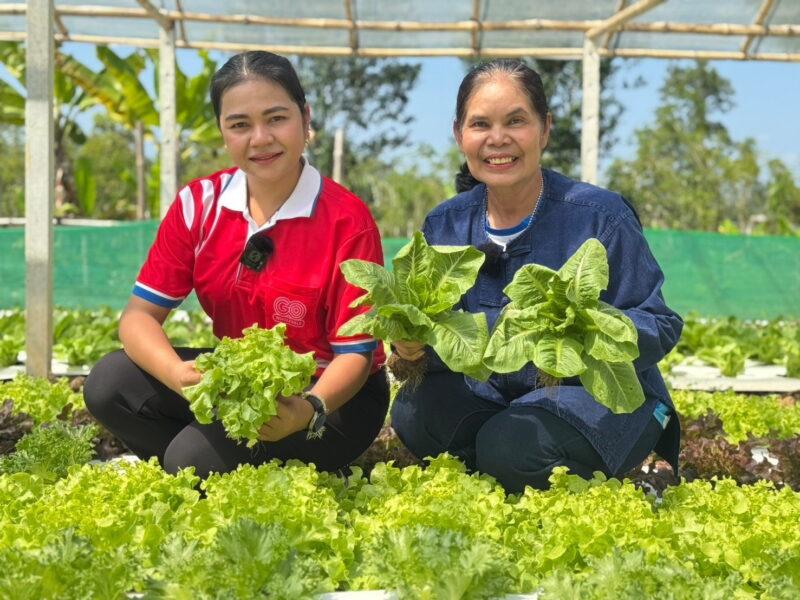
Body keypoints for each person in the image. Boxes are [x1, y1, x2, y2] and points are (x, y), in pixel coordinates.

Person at [84, 51, 389, 478]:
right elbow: (138, 318)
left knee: (192, 459)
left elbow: (355, 355)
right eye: (240, 124)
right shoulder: (198, 205)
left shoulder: (346, 220)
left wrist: (307, 410)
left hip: (332, 399)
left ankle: (217, 463)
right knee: (109, 384)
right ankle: (218, 463)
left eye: (276, 118)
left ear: (305, 118)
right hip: (241, 384)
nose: (260, 139)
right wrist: (178, 375)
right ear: (223, 132)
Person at [390, 59, 683, 494]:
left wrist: (589, 328)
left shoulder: (599, 216)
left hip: (595, 396)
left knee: (512, 445)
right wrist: (410, 346)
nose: (497, 139)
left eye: (516, 121)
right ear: (459, 135)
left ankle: (589, 481)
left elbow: (659, 322)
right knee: (415, 411)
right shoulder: (445, 223)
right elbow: (439, 337)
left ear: (545, 129)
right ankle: (508, 476)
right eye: (480, 124)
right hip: (498, 397)